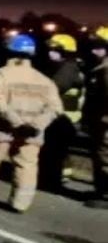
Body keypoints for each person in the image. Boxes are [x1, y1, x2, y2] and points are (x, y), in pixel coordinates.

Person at [0, 34, 63, 212]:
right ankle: (20, 204)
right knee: (26, 166)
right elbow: (56, 108)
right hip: (32, 134)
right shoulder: (44, 80)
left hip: (1, 130)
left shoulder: (1, 74)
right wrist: (35, 125)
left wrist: (17, 122)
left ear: (9, 51)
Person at [37, 33, 85, 192]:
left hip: (64, 117)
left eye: (55, 49)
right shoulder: (62, 67)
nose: (51, 52)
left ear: (65, 52)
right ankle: (54, 177)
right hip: (61, 116)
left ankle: (52, 181)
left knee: (54, 150)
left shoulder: (67, 69)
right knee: (55, 151)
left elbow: (54, 89)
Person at [83, 27, 108, 209]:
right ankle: (101, 192)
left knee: (105, 158)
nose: (94, 50)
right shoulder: (101, 68)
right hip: (100, 121)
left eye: (99, 47)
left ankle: (105, 196)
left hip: (105, 124)